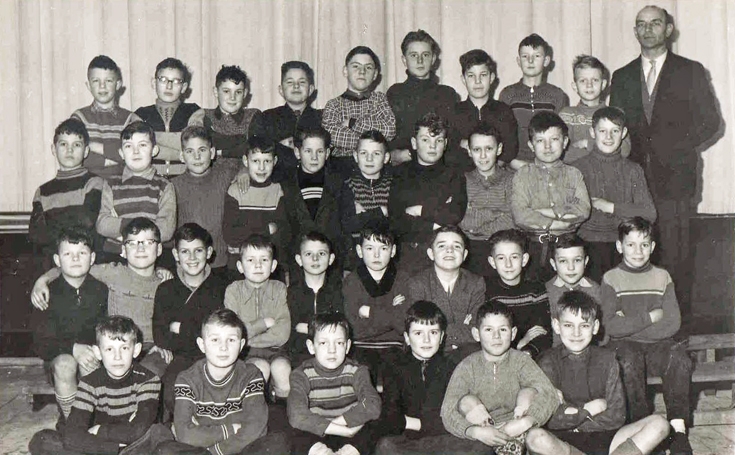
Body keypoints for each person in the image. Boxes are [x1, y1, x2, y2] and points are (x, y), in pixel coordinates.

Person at [609, 5, 720, 313]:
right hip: (633, 179)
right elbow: (616, 127)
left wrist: (677, 146)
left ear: (669, 29)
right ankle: (639, 322)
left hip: (676, 178)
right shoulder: (622, 76)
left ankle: (677, 324)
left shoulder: (690, 71)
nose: (648, 29)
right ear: (635, 31)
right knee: (635, 251)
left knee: (676, 254)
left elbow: (711, 122)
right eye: (641, 24)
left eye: (655, 23)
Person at [525, 290, 670, 455]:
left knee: (660, 424)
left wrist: (574, 418)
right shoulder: (547, 362)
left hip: (608, 438)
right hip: (564, 441)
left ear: (595, 327)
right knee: (535, 438)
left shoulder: (608, 359)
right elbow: (550, 419)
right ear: (556, 325)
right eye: (568, 325)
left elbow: (617, 416)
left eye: (584, 325)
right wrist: (588, 410)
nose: (576, 333)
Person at [31, 218, 173, 378]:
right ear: (123, 250)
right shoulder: (111, 273)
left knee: (147, 374)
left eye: (148, 242)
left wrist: (162, 344)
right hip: (115, 346)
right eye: (132, 243)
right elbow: (73, 267)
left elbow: (171, 319)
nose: (140, 248)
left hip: (150, 348)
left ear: (159, 249)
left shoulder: (166, 283)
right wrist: (43, 280)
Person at [600, 217, 693, 454]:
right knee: (628, 361)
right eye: (631, 244)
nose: (638, 251)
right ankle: (641, 428)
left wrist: (629, 322)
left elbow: (672, 323)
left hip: (658, 346)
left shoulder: (663, 277)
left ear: (652, 247)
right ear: (619, 246)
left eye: (644, 244)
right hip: (625, 346)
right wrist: (650, 317)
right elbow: (611, 326)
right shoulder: (611, 278)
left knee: (679, 359)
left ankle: (678, 430)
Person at [155, 308, 289, 455]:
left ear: (241, 345)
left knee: (278, 442)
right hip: (204, 448)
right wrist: (230, 429)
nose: (223, 347)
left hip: (235, 448)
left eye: (231, 340)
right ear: (202, 345)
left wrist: (216, 451)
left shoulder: (251, 375)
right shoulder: (187, 379)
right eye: (215, 340)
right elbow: (185, 435)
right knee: (164, 449)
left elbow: (255, 430)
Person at [29, 316, 167, 455]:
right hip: (104, 446)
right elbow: (72, 434)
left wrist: (100, 430)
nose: (117, 357)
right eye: (109, 349)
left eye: (124, 348)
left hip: (137, 446)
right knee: (42, 441)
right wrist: (113, 449)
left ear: (136, 350)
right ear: (98, 352)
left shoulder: (148, 380)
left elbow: (137, 431)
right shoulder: (90, 382)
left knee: (163, 441)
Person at [440, 301, 558, 453]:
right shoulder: (467, 366)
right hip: (482, 432)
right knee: (466, 401)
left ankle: (518, 442)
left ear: (513, 333)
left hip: (518, 426)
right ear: (476, 334)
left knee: (529, 392)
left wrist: (528, 421)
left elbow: (549, 394)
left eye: (502, 329)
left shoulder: (521, 360)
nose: (496, 336)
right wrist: (473, 431)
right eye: (488, 329)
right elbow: (448, 411)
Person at [32, 227, 108, 422]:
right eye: (68, 254)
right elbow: (42, 344)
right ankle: (72, 421)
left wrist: (96, 350)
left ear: (92, 258)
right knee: (65, 364)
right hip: (59, 357)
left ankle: (95, 419)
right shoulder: (46, 293)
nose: (75, 259)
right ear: (57, 261)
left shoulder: (101, 289)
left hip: (94, 355)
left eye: (82, 253)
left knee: (90, 364)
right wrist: (73, 348)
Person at [573, 107, 657, 282]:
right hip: (587, 244)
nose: (609, 137)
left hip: (622, 245)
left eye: (615, 131)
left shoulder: (633, 170)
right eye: (602, 131)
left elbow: (649, 213)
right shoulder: (578, 168)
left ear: (624, 133)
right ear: (592, 132)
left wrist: (610, 207)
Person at [152, 223, 227, 416]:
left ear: (209, 252)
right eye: (185, 251)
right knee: (173, 391)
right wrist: (200, 333)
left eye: (198, 251)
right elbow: (160, 336)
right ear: (176, 255)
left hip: (216, 357)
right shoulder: (166, 289)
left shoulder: (223, 287)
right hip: (181, 358)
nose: (192, 258)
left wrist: (180, 328)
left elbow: (224, 332)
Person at [510, 111, 590, 282]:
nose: (547, 147)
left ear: (565, 142)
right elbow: (520, 215)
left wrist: (544, 212)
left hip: (567, 248)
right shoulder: (522, 175)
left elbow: (583, 210)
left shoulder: (574, 174)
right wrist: (554, 223)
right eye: (540, 141)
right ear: (531, 145)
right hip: (532, 248)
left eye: (554, 139)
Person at [288, 312, 382, 455]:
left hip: (350, 429)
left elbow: (373, 404)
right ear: (311, 346)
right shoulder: (301, 374)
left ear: (347, 346)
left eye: (339, 343)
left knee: (376, 423)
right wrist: (337, 429)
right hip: (318, 432)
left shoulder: (358, 371)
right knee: (293, 430)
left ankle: (347, 452)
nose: (332, 350)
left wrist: (341, 424)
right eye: (323, 343)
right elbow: (296, 414)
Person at [373, 301, 457, 455]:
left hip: (441, 439)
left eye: (433, 332)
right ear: (407, 337)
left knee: (478, 446)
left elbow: (453, 417)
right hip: (408, 441)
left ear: (441, 337)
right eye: (418, 333)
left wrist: (415, 423)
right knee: (385, 445)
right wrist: (421, 423)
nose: (426, 340)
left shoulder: (450, 367)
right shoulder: (394, 366)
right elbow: (391, 416)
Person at [389, 113, 467, 273]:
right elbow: (396, 221)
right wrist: (434, 222)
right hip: (408, 252)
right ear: (414, 143)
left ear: (445, 143)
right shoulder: (400, 173)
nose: (433, 146)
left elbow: (454, 215)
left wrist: (420, 210)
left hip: (442, 252)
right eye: (425, 140)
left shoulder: (454, 175)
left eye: (438, 140)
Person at [224, 234, 291, 401]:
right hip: (246, 352)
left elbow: (282, 333)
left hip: (276, 350)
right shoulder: (233, 291)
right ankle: (257, 410)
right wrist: (263, 323)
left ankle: (283, 411)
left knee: (282, 368)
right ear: (240, 266)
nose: (258, 265)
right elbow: (233, 332)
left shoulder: (280, 289)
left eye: (264, 260)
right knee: (259, 369)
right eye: (250, 260)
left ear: (273, 265)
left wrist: (249, 336)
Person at [29, 118, 105, 265]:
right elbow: (36, 235)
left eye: (76, 145)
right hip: (54, 262)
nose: (69, 150)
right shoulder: (42, 191)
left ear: (86, 151)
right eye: (63, 144)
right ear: (53, 149)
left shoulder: (94, 183)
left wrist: (52, 221)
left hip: (87, 262)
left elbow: (86, 222)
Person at [95, 121, 176, 256]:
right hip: (116, 254)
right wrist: (146, 224)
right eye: (128, 146)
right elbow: (102, 224)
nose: (135, 151)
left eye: (142, 145)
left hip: (150, 255)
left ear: (154, 150)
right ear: (121, 153)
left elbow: (166, 230)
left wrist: (121, 228)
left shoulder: (165, 186)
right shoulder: (111, 184)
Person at [171, 125, 244, 273]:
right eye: (190, 151)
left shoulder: (226, 176)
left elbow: (248, 163)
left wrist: (245, 171)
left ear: (212, 153)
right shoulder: (173, 186)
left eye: (202, 150)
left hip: (222, 262)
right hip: (188, 264)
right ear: (182, 156)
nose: (197, 157)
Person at [343, 223, 410, 385]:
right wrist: (390, 311)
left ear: (393, 251)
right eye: (370, 248)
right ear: (359, 251)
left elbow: (402, 324)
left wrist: (369, 312)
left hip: (394, 345)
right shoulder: (352, 281)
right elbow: (354, 329)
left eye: (383, 248)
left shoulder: (403, 279)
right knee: (363, 378)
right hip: (360, 346)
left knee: (396, 379)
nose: (376, 254)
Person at [407, 226, 484, 361]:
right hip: (426, 353)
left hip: (465, 354)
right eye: (442, 246)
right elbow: (420, 330)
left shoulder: (476, 283)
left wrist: (437, 330)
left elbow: (477, 330)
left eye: (457, 246)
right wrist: (461, 330)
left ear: (465, 254)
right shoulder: (417, 283)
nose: (449, 250)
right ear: (431, 253)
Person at [322, 45, 396, 178]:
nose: (362, 72)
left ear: (375, 74)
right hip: (342, 167)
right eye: (356, 66)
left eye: (368, 67)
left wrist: (353, 123)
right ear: (345, 71)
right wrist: (374, 141)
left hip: (376, 166)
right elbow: (332, 136)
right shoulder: (333, 105)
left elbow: (389, 130)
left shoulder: (379, 99)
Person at [386, 30, 459, 166]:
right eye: (413, 55)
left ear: (433, 59)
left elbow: (452, 139)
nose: (420, 60)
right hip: (404, 167)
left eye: (425, 55)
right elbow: (390, 137)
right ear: (404, 60)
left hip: (440, 167)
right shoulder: (395, 93)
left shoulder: (447, 94)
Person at [282, 127, 344, 276]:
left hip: (331, 263)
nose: (314, 157)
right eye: (308, 151)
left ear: (327, 153)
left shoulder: (337, 183)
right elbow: (285, 229)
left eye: (320, 151)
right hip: (297, 262)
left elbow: (343, 229)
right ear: (297, 153)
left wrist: (346, 266)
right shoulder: (286, 184)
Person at [499, 34, 569, 165]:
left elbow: (561, 136)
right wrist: (512, 162)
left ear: (546, 61)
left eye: (537, 56)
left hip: (549, 165)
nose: (530, 61)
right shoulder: (507, 94)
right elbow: (502, 135)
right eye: (525, 56)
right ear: (518, 61)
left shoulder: (557, 95)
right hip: (515, 165)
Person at [222, 136, 289, 272]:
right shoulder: (235, 191)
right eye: (256, 161)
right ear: (245, 161)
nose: (261, 167)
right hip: (238, 266)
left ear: (275, 161)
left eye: (267, 161)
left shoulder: (278, 191)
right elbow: (230, 235)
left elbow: (283, 236)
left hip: (269, 267)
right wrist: (267, 229)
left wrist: (243, 244)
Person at [71, 55, 141, 179]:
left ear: (118, 84)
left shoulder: (130, 119)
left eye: (108, 81)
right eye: (96, 81)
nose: (102, 86)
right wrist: (107, 161)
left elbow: (135, 155)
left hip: (121, 185)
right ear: (88, 85)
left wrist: (93, 146)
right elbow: (74, 154)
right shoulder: (79, 117)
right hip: (86, 184)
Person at [458, 123, 515, 278]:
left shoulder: (511, 180)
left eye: (489, 149)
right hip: (469, 249)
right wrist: (495, 213)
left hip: (500, 249)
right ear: (469, 151)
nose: (483, 156)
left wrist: (475, 218)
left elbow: (512, 218)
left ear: (499, 149)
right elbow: (460, 218)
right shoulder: (462, 180)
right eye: (477, 150)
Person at [485, 229, 552, 358]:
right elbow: (488, 334)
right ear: (492, 262)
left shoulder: (536, 290)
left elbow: (542, 332)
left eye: (514, 257)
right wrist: (520, 343)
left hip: (530, 354)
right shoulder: (487, 291)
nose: (508, 264)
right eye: (501, 258)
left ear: (524, 259)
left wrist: (527, 350)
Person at [451, 49, 519, 170]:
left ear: (491, 78)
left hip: (496, 175)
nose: (477, 81)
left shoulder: (503, 111)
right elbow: (450, 151)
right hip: (461, 176)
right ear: (463, 79)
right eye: (471, 76)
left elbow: (510, 149)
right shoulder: (454, 112)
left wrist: (491, 170)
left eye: (483, 75)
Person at [135, 57, 201, 177]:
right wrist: (182, 152)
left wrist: (150, 138)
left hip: (185, 177)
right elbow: (138, 149)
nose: (169, 86)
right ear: (154, 83)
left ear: (184, 87)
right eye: (163, 79)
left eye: (176, 81)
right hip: (150, 178)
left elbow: (193, 143)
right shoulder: (140, 114)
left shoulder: (194, 111)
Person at [559, 55, 631, 163]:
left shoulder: (614, 114)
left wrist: (587, 144)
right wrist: (603, 150)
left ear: (603, 84)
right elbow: (561, 153)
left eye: (595, 80)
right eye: (583, 81)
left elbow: (624, 150)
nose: (589, 85)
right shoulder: (566, 115)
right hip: (575, 171)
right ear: (574, 86)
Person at [287, 231, 344, 366]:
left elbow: (340, 326)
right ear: (299, 260)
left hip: (331, 353)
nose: (315, 259)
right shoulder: (291, 292)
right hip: (299, 354)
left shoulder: (339, 291)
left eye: (321, 253)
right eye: (308, 254)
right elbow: (291, 328)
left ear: (331, 259)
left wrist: (307, 328)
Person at [188, 65, 267, 161]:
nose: (232, 97)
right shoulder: (205, 116)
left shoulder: (253, 115)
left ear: (245, 93)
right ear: (216, 91)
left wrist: (220, 151)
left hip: (244, 170)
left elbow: (256, 149)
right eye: (226, 91)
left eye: (238, 92)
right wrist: (240, 140)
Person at [339, 130, 392, 270]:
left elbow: (396, 223)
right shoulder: (347, 186)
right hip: (355, 259)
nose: (369, 159)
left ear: (386, 157)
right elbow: (348, 224)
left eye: (376, 154)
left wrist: (364, 216)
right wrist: (381, 211)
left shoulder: (393, 185)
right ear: (355, 156)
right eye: (363, 153)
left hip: (387, 256)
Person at [262, 61, 322, 181]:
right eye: (290, 82)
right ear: (281, 90)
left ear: (310, 89)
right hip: (278, 183)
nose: (296, 86)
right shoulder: (267, 117)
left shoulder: (322, 118)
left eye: (302, 82)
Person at [545, 233, 602, 346]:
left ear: (585, 262)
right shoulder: (545, 292)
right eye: (563, 261)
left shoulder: (596, 291)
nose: (571, 267)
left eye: (577, 260)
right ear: (553, 264)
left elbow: (601, 333)